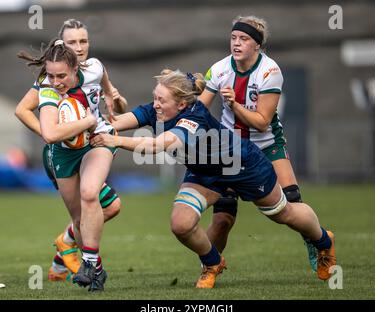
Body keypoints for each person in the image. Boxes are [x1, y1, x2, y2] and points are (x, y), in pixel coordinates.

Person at [90, 69, 336, 288]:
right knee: (181, 224)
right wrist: (86, 120)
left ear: (183, 104)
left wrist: (115, 141)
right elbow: (115, 123)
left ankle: (323, 241)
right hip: (205, 173)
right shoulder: (156, 111)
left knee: (284, 213)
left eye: (161, 100)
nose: (155, 105)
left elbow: (158, 145)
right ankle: (212, 263)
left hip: (243, 166)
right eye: (155, 97)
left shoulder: (192, 117)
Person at [199, 15, 318, 271]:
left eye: (244, 39)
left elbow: (262, 122)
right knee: (222, 218)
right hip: (230, 149)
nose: (237, 43)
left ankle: (316, 240)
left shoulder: (270, 71)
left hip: (267, 144)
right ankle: (210, 267)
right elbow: (199, 108)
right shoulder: (218, 69)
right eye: (233, 38)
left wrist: (234, 104)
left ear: (258, 46)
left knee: (292, 202)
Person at [15, 19, 127, 282]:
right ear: (61, 46)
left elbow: (113, 100)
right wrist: (49, 133)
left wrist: (117, 102)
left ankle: (81, 259)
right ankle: (65, 248)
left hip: (95, 143)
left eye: (83, 41)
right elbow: (23, 111)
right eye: (72, 42)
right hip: (63, 151)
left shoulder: (96, 68)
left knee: (97, 202)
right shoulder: (49, 82)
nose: (78, 47)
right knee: (89, 216)